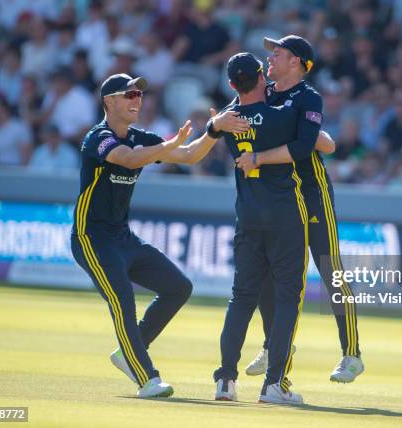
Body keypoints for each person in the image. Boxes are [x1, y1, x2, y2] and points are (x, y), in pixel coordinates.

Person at [70, 73, 247, 399]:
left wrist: (214, 130)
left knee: (178, 287)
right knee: (122, 302)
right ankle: (146, 378)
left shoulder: (139, 136)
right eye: (129, 95)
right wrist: (166, 146)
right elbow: (128, 158)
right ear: (109, 102)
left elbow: (190, 154)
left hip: (123, 238)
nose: (138, 100)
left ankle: (127, 353)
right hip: (90, 238)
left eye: (139, 95)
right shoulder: (98, 137)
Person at [236, 35, 364, 383]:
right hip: (280, 197)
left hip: (311, 192)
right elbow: (322, 140)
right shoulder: (268, 94)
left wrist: (270, 150)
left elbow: (315, 145)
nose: (270, 60)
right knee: (269, 276)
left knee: (330, 270)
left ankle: (351, 353)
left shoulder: (309, 96)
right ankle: (274, 347)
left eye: (277, 54)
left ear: (297, 62)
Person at [211, 52, 334, 405]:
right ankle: (274, 385)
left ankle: (225, 380)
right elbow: (310, 141)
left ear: (233, 85)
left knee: (241, 298)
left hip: (247, 216)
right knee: (286, 300)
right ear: (261, 79)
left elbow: (222, 123)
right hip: (285, 215)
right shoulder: (279, 116)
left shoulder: (228, 120)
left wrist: (216, 122)